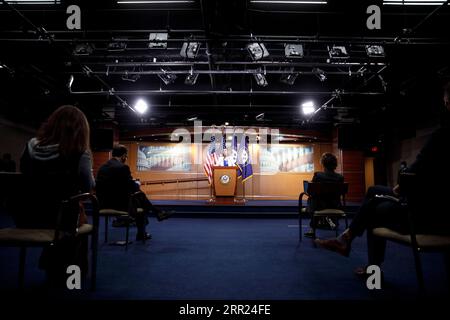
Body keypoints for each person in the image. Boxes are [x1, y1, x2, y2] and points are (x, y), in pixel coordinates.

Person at [315, 82, 450, 274]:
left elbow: (417, 170)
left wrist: (402, 185)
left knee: (375, 210)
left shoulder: (442, 136)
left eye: (445, 102)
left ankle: (368, 264)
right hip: (435, 205)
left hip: (430, 214)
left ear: (447, 103)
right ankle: (346, 239)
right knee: (373, 190)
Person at [19, 105, 95, 285]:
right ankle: (73, 279)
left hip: (26, 216)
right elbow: (87, 188)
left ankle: (51, 265)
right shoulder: (80, 151)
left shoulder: (30, 146)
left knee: (68, 215)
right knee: (78, 219)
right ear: (80, 128)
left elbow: (23, 176)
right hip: (63, 219)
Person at [95, 144, 172, 241]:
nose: (126, 158)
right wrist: (137, 183)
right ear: (123, 156)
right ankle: (152, 220)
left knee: (139, 196)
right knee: (139, 198)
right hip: (119, 204)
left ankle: (157, 212)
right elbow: (132, 187)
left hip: (103, 203)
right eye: (126, 156)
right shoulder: (123, 167)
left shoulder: (102, 167)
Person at [304, 153, 345, 237]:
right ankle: (330, 220)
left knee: (312, 200)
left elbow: (311, 191)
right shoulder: (340, 177)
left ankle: (313, 229)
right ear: (335, 164)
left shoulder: (318, 175)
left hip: (319, 206)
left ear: (323, 164)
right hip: (335, 205)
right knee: (319, 200)